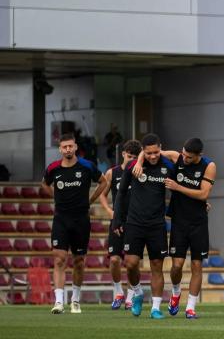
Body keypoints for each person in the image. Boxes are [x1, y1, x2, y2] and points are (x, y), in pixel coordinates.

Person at [133, 138, 216, 319]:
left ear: (199, 156)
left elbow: (204, 193)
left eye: (189, 157)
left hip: (199, 221)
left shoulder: (209, 166)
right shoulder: (176, 157)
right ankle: (176, 292)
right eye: (183, 154)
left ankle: (191, 308)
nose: (184, 159)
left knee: (196, 265)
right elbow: (148, 151)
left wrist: (178, 187)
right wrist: (139, 162)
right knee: (177, 265)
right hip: (179, 220)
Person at [42, 133, 108, 314]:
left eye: (70, 146)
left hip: (81, 219)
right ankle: (58, 302)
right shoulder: (53, 168)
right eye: (64, 147)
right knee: (59, 259)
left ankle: (75, 300)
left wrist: (92, 199)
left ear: (76, 147)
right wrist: (55, 197)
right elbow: (44, 183)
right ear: (60, 149)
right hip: (61, 219)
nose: (68, 149)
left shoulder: (87, 166)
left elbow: (103, 182)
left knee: (79, 261)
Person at [112, 133, 174, 319]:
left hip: (157, 224)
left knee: (157, 265)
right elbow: (121, 192)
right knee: (130, 264)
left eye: (156, 152)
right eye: (148, 153)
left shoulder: (167, 165)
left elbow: (182, 170)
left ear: (160, 148)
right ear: (143, 152)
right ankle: (137, 293)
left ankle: (155, 307)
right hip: (134, 222)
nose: (153, 156)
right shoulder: (133, 166)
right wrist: (117, 219)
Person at [98, 140, 142, 310]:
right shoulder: (112, 173)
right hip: (117, 221)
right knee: (115, 260)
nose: (131, 159)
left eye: (135, 157)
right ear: (123, 154)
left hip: (136, 222)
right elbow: (103, 194)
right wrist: (111, 212)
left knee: (133, 263)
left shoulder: (139, 172)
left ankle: (131, 296)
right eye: (129, 156)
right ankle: (118, 292)